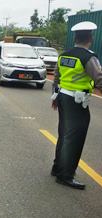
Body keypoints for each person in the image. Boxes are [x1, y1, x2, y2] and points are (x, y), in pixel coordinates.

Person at [51, 21, 102, 190]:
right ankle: (65, 176)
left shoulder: (64, 55)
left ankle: (57, 168)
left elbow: (57, 76)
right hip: (77, 103)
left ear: (75, 37)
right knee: (74, 139)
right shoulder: (88, 57)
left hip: (63, 98)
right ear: (90, 38)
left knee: (64, 134)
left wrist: (55, 96)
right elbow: (99, 79)